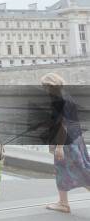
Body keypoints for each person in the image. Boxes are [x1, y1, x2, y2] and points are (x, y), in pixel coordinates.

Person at [41, 73, 90, 213]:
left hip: (66, 142)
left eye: (44, 86)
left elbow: (62, 125)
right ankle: (63, 202)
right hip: (76, 139)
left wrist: (59, 147)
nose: (44, 89)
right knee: (82, 168)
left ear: (51, 86)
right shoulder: (67, 96)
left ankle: (63, 203)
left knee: (63, 170)